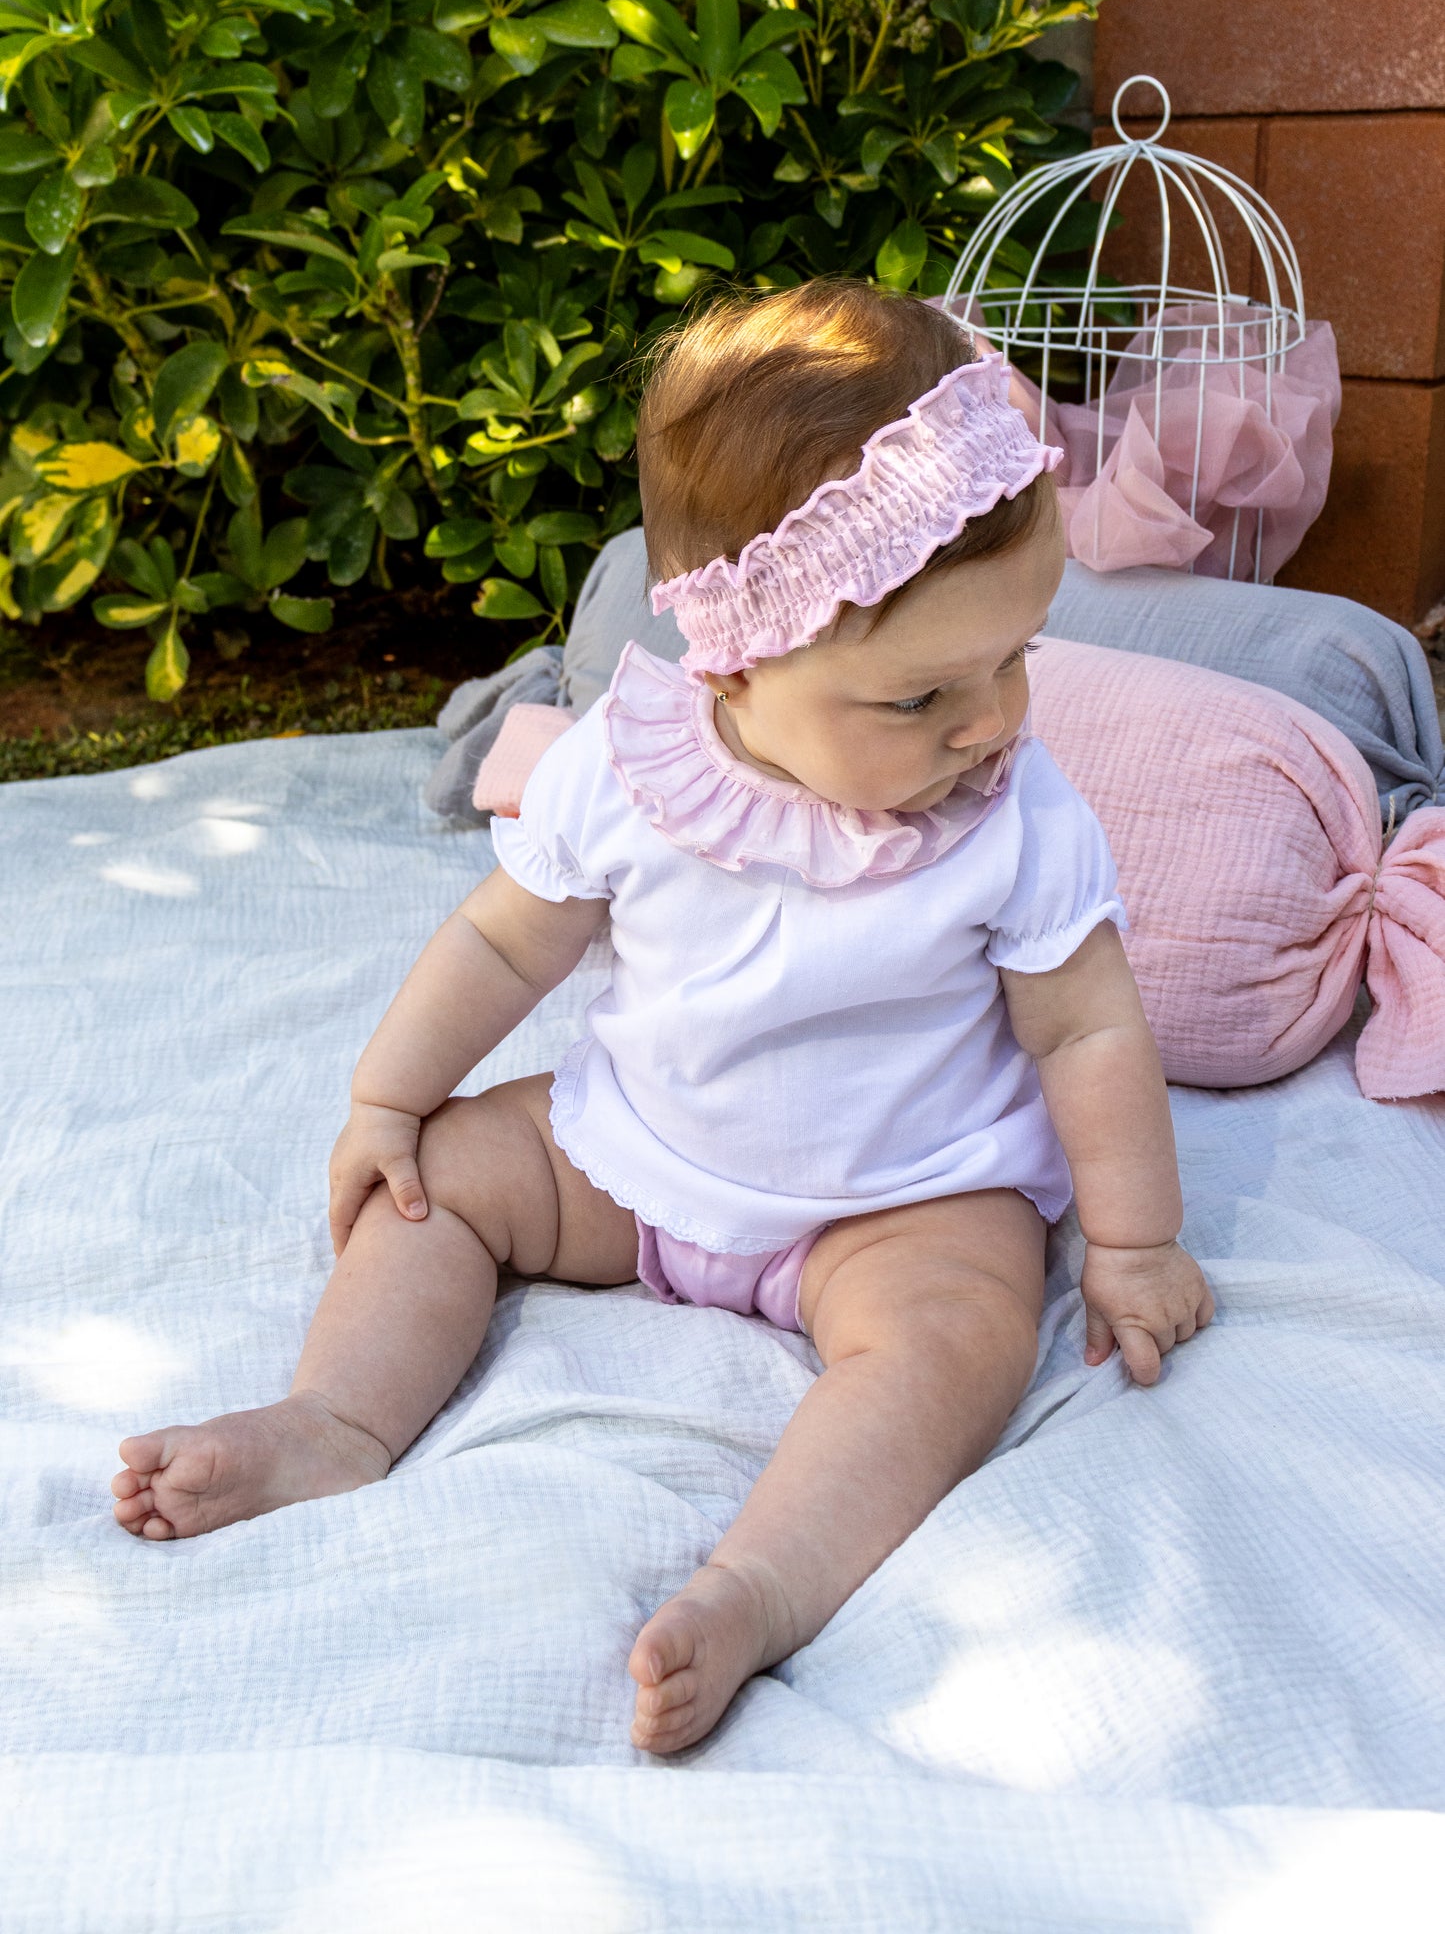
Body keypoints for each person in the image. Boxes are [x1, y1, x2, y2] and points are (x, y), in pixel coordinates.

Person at [113, 280, 1213, 1755]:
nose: (992, 721)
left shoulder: (1015, 816)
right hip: (633, 1152)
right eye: (923, 695)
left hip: (900, 1197)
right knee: (438, 1184)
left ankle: (761, 1581)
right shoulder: (632, 772)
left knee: (959, 1339)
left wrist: (1134, 1240)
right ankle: (335, 1420)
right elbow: (504, 947)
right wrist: (387, 1101)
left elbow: (1084, 1028)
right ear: (740, 656)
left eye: (1016, 659)